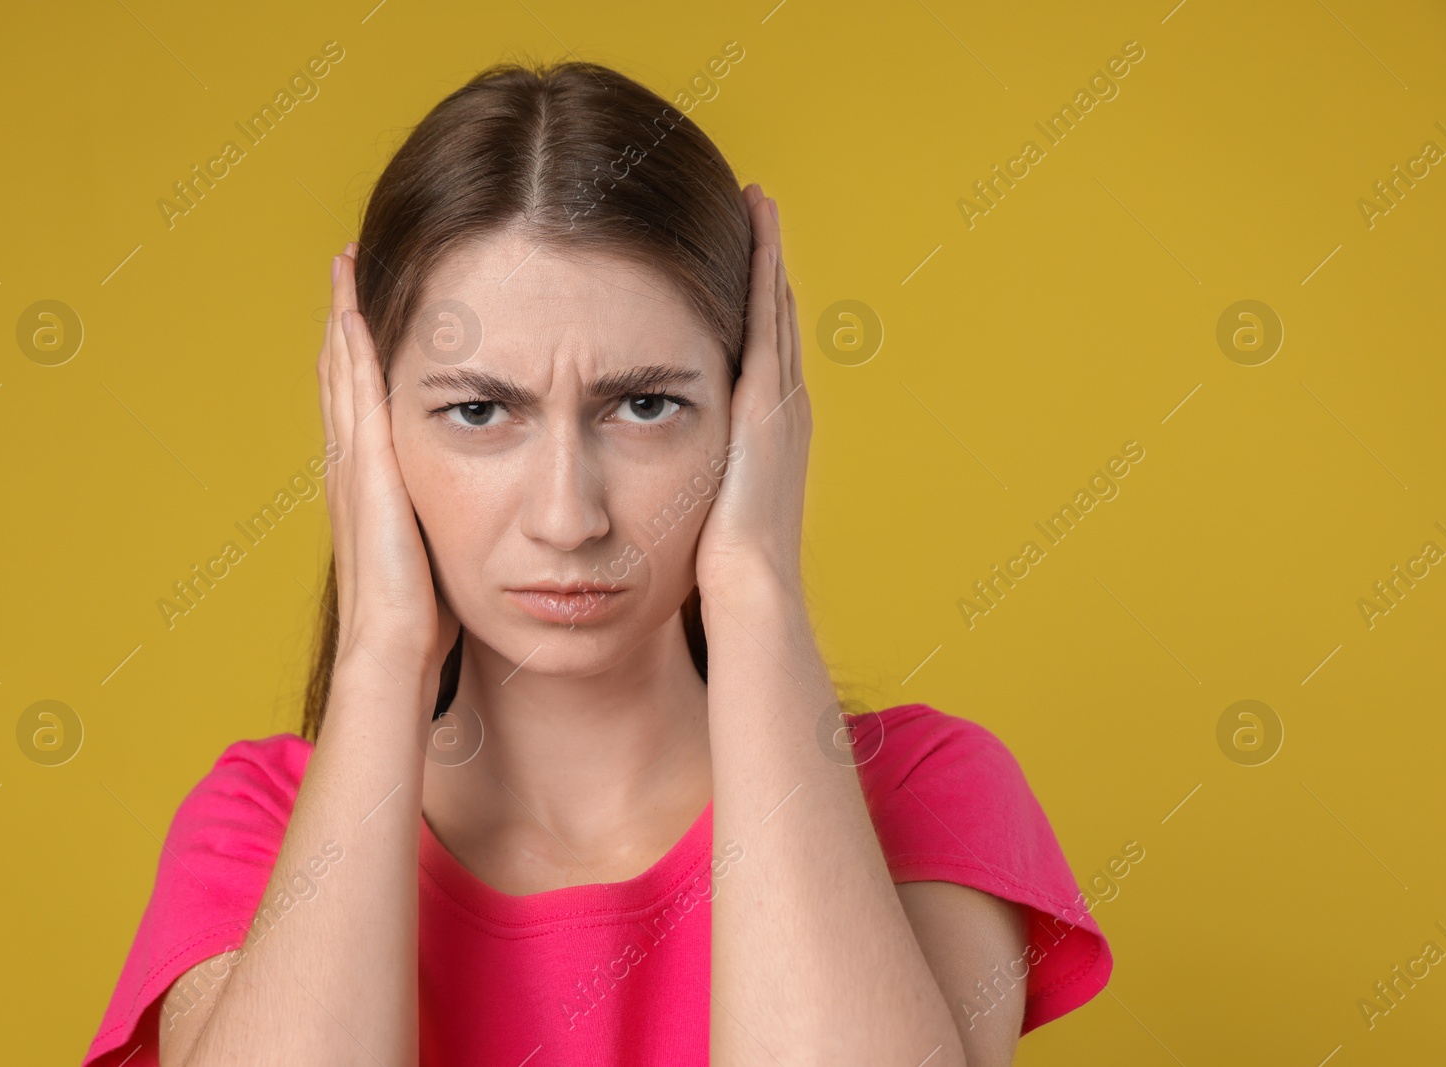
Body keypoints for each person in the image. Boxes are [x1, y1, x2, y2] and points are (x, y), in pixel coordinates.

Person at [82, 59, 1111, 1067]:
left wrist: (755, 587)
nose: (569, 516)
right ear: (370, 423)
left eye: (645, 404)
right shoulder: (256, 830)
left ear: (756, 413)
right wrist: (381, 647)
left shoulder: (928, 793)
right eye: (478, 410)